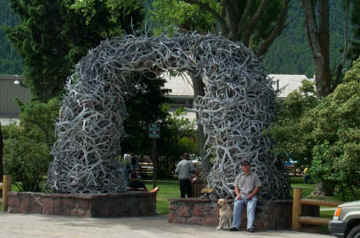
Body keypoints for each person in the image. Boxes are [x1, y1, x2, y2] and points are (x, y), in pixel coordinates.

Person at [230, 160, 261, 233]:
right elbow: (236, 187)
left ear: (249, 166)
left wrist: (251, 195)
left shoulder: (254, 176)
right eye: (243, 166)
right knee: (236, 205)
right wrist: (238, 195)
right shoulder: (239, 176)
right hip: (241, 195)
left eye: (246, 165)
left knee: (250, 208)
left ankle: (250, 227)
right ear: (241, 167)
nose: (245, 167)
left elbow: (257, 187)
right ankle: (235, 226)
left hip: (251, 196)